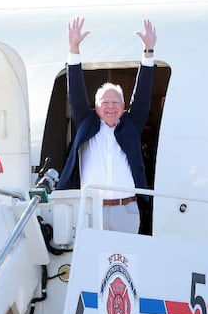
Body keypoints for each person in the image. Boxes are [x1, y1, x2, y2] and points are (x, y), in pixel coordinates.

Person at [56, 17, 157, 233]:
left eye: (115, 102)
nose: (110, 107)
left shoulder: (131, 125)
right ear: (96, 106)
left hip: (126, 209)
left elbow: (142, 94)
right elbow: (75, 90)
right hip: (91, 211)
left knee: (124, 263)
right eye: (105, 103)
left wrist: (148, 52)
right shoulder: (87, 122)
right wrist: (73, 49)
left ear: (123, 106)